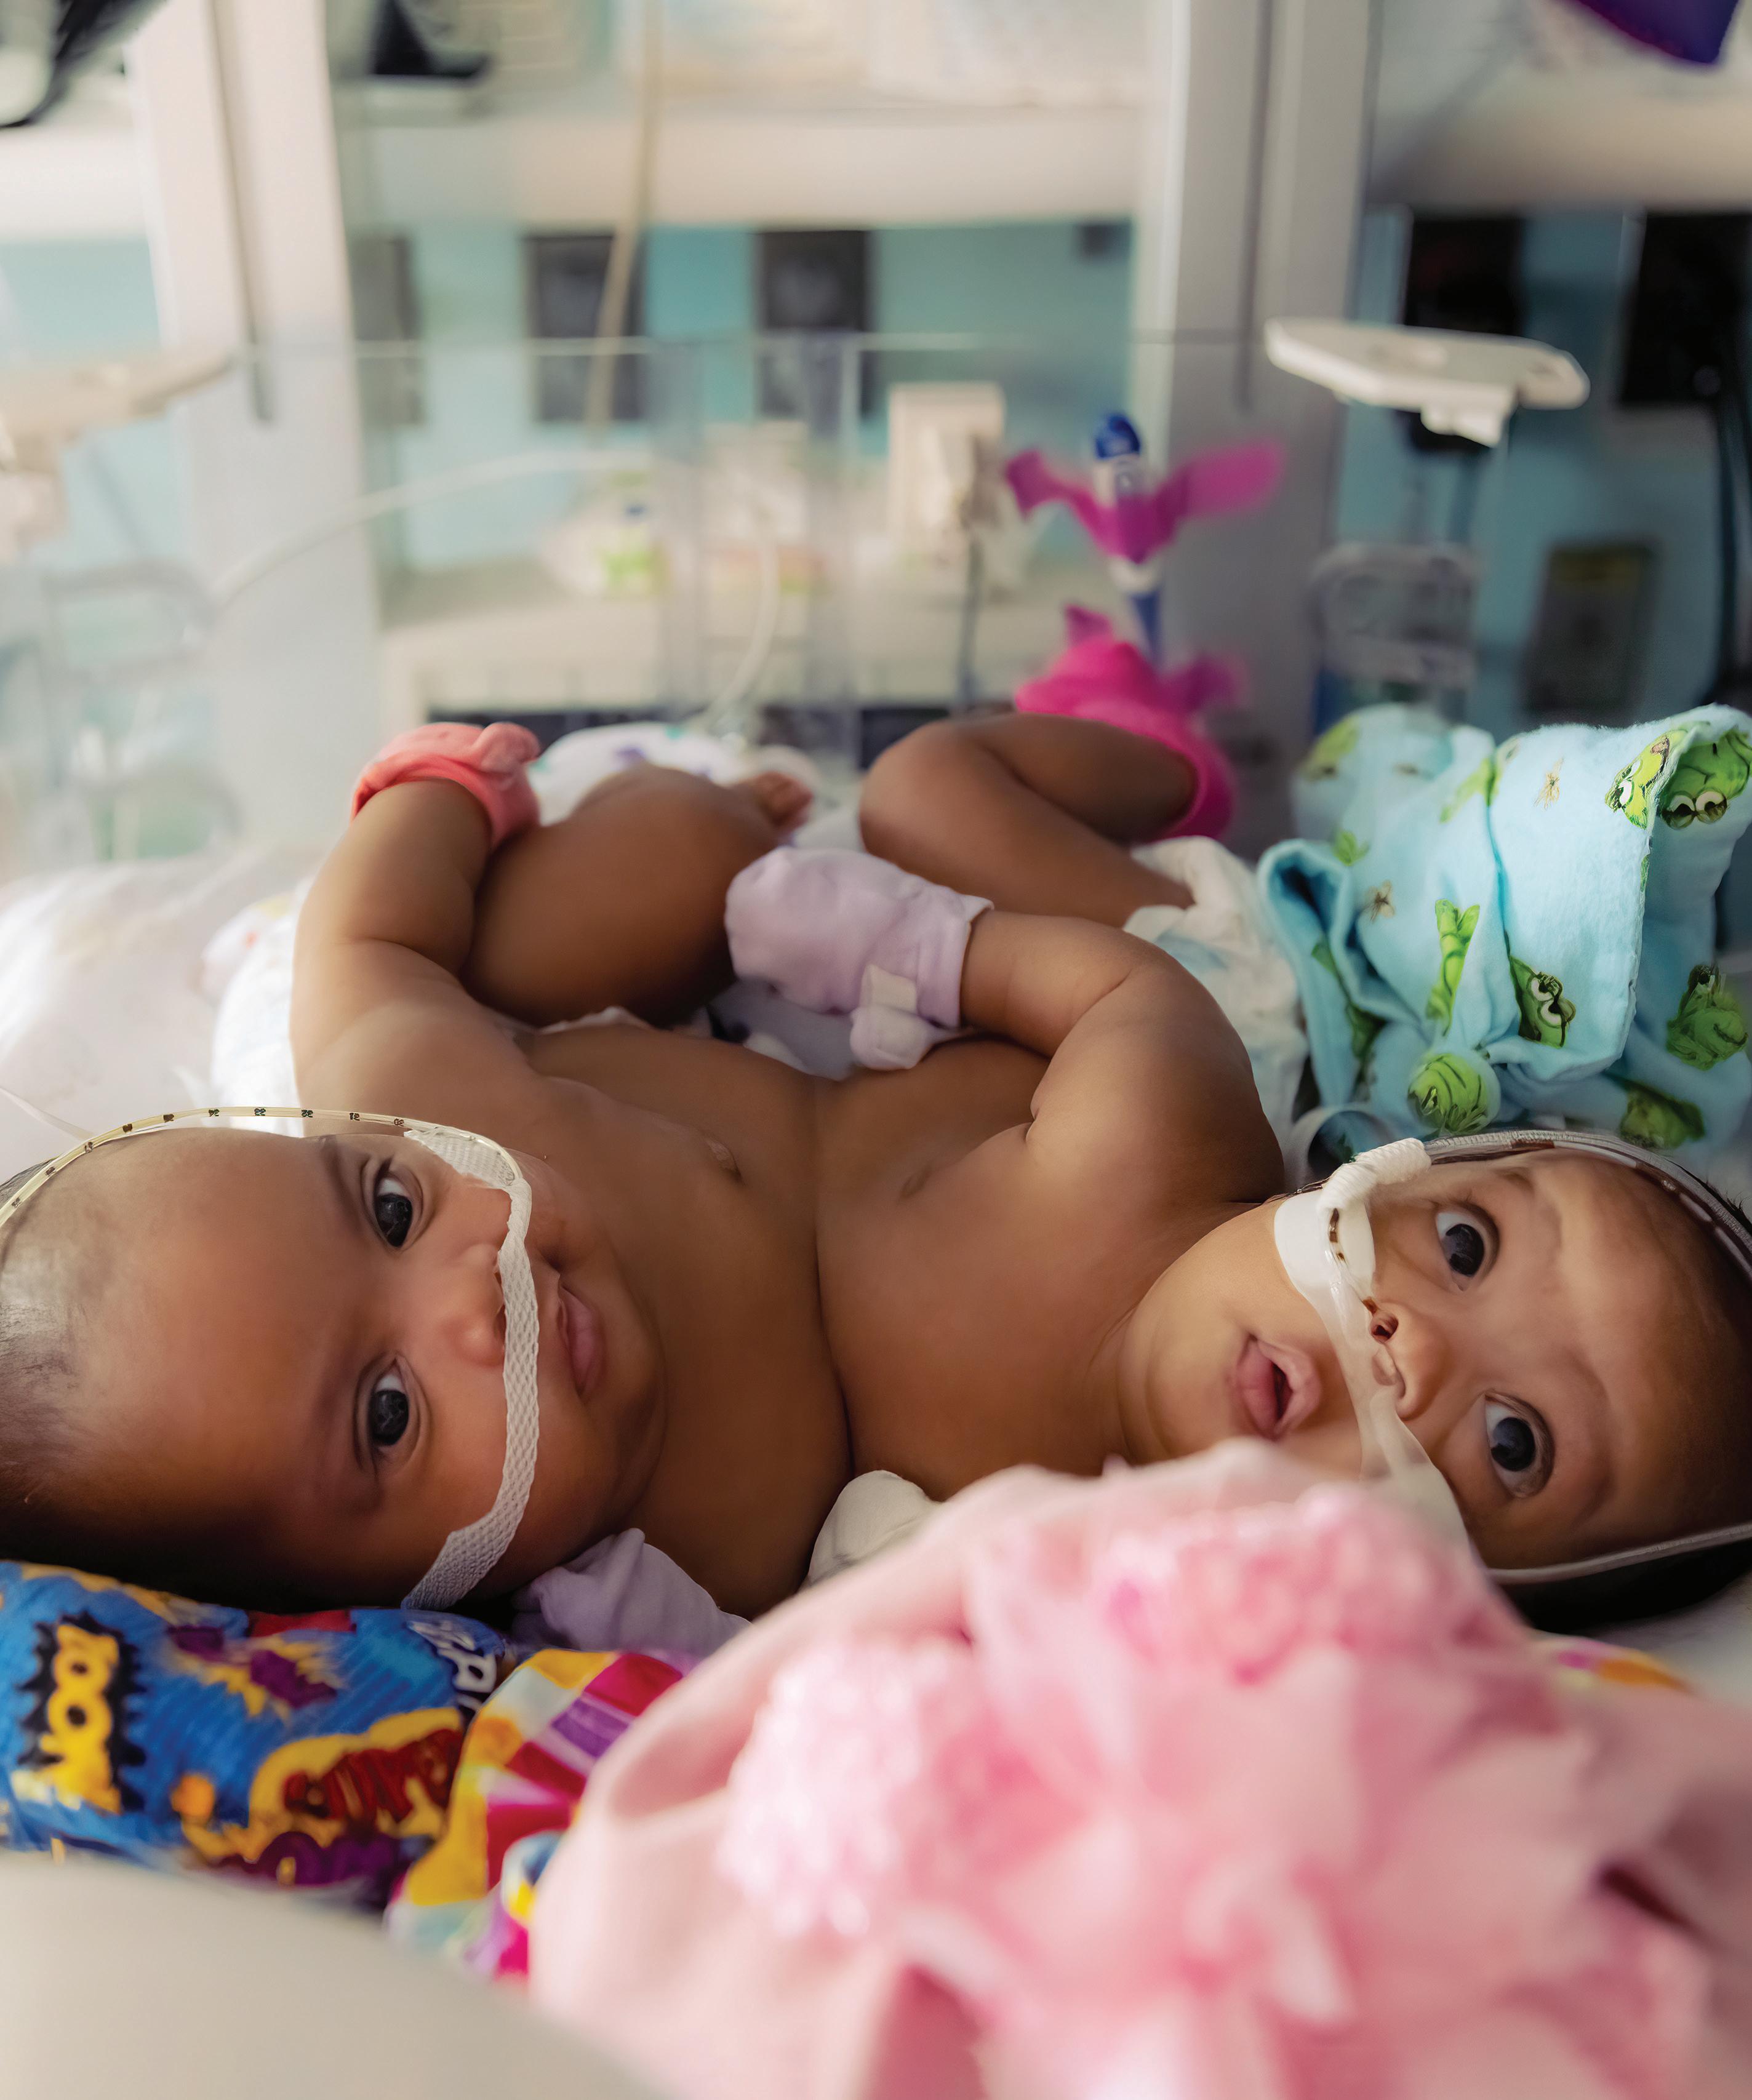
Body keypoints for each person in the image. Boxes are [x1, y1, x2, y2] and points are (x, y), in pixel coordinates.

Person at [1, 709, 1746, 1619]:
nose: (1415, 1349)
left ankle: (703, 809)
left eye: (1513, 1444)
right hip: (828, 1021)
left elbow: (374, 944)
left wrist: (442, 792)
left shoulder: (461, 1149)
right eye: (388, 1417)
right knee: (920, 792)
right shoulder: (592, 1582)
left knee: (676, 854)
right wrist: (941, 946)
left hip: (666, 1038)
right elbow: (1125, 993)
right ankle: (1158, 760)